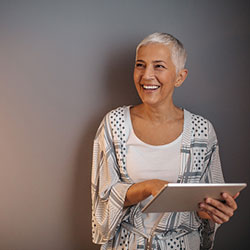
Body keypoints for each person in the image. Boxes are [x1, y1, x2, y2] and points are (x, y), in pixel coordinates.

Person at [91, 32, 239, 250]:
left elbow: (203, 207)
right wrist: (148, 187)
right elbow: (102, 202)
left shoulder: (202, 131)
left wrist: (212, 210)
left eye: (158, 66)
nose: (146, 75)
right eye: (140, 65)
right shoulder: (114, 124)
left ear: (180, 76)